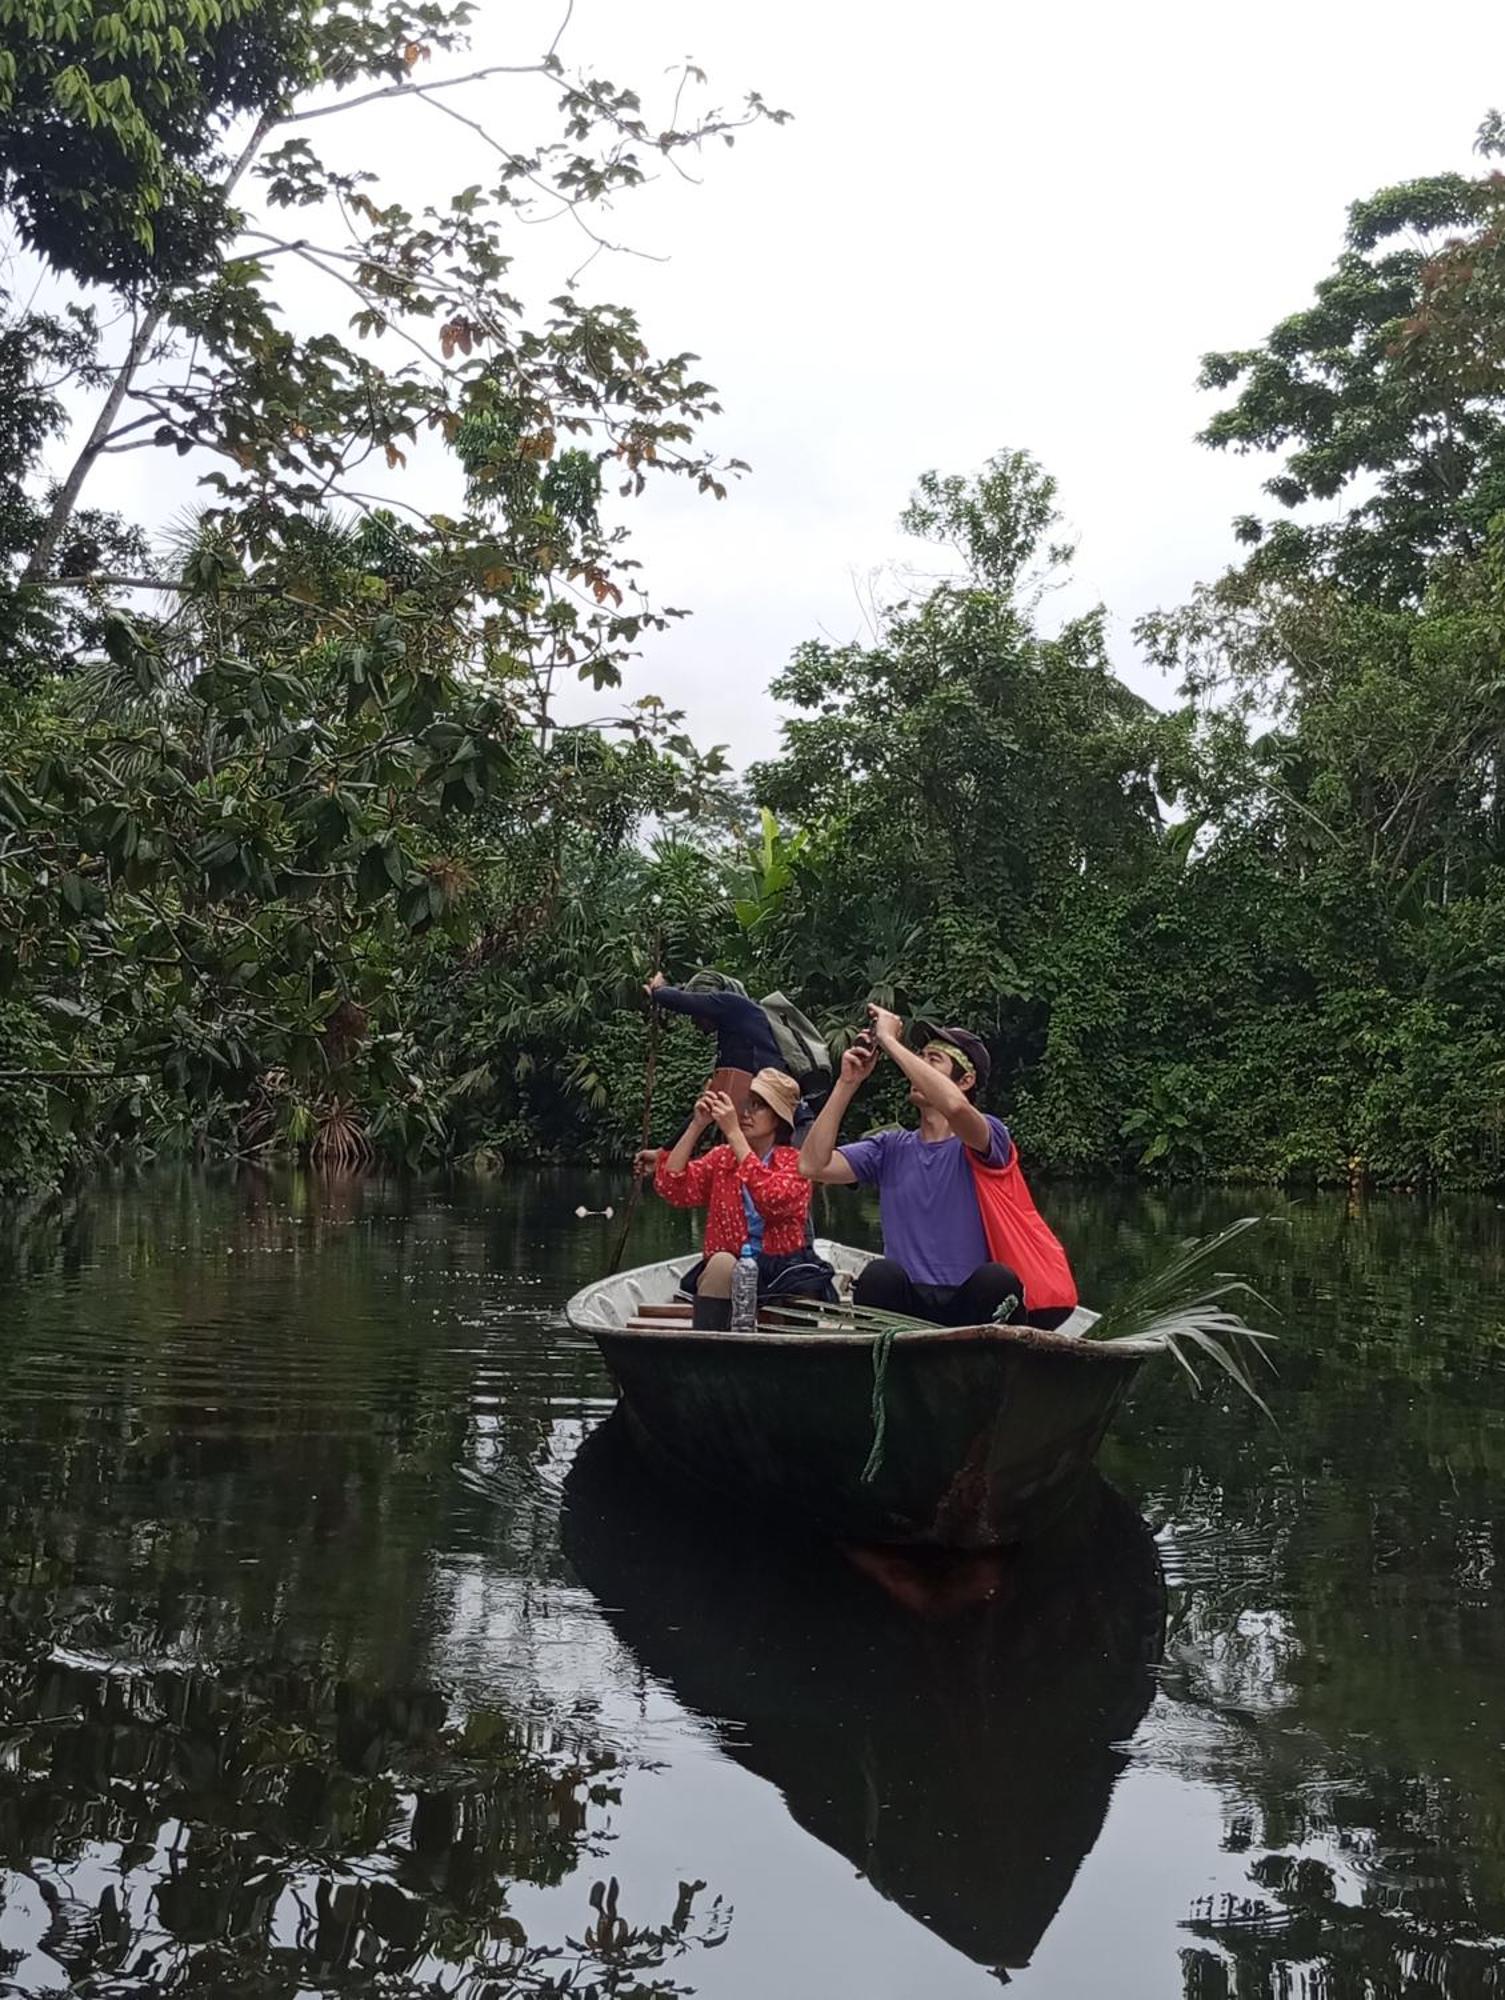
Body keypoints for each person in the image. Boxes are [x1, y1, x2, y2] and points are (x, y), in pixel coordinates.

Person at [799, 1006, 1077, 1330]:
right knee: (880, 1276)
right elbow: (811, 1165)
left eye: (933, 1060)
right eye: (921, 1057)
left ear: (967, 1079)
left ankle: (986, 1374)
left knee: (998, 1280)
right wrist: (848, 1083)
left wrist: (889, 1040)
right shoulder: (888, 1148)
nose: (917, 1068)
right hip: (910, 1307)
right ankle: (885, 1372)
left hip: (969, 1305)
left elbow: (956, 1107)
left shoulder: (987, 1138)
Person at [652, 1068, 836, 1329]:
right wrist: (697, 1125)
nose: (746, 1113)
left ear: (777, 1118)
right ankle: (709, 1350)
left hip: (784, 1267)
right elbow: (671, 1186)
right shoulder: (722, 1158)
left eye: (759, 1106)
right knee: (721, 1263)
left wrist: (734, 1134)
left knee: (803, 1286)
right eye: (745, 1104)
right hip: (733, 1263)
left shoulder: (796, 1163)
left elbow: (772, 1199)